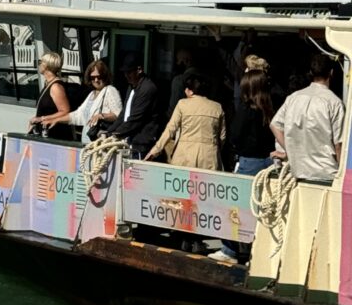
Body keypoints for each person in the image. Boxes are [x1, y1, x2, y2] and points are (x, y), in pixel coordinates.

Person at [209, 65, 274, 265]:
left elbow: (235, 135)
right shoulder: (270, 108)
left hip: (248, 161)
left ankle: (229, 250)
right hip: (268, 162)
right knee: (261, 209)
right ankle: (257, 253)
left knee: (234, 207)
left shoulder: (247, 110)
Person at [271, 53, 345, 184]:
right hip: (326, 173)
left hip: (297, 170)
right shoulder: (335, 103)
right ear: (331, 73)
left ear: (311, 73)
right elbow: (338, 145)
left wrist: (289, 150)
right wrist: (343, 175)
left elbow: (275, 125)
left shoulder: (293, 98)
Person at [146, 69, 225, 170]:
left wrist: (155, 151)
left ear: (190, 91)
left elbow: (170, 129)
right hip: (210, 158)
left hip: (184, 156)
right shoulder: (217, 107)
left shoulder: (182, 104)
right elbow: (222, 137)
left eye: (186, 89)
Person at [32, 60, 123, 143]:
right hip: (87, 140)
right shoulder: (92, 94)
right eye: (93, 77)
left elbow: (119, 115)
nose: (96, 80)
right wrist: (55, 120)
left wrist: (102, 116)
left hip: (101, 142)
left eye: (99, 77)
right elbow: (78, 115)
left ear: (105, 76)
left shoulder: (110, 90)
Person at [106, 53, 162, 158]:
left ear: (139, 70)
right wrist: (109, 132)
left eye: (129, 72)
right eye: (124, 72)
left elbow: (135, 119)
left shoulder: (147, 89)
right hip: (130, 141)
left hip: (142, 145)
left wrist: (114, 134)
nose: (126, 75)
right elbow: (123, 115)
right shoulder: (131, 87)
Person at [30, 52, 71, 139]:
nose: (38, 65)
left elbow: (65, 111)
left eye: (40, 62)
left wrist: (42, 118)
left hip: (53, 134)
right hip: (45, 133)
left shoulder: (55, 87)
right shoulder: (48, 84)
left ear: (46, 66)